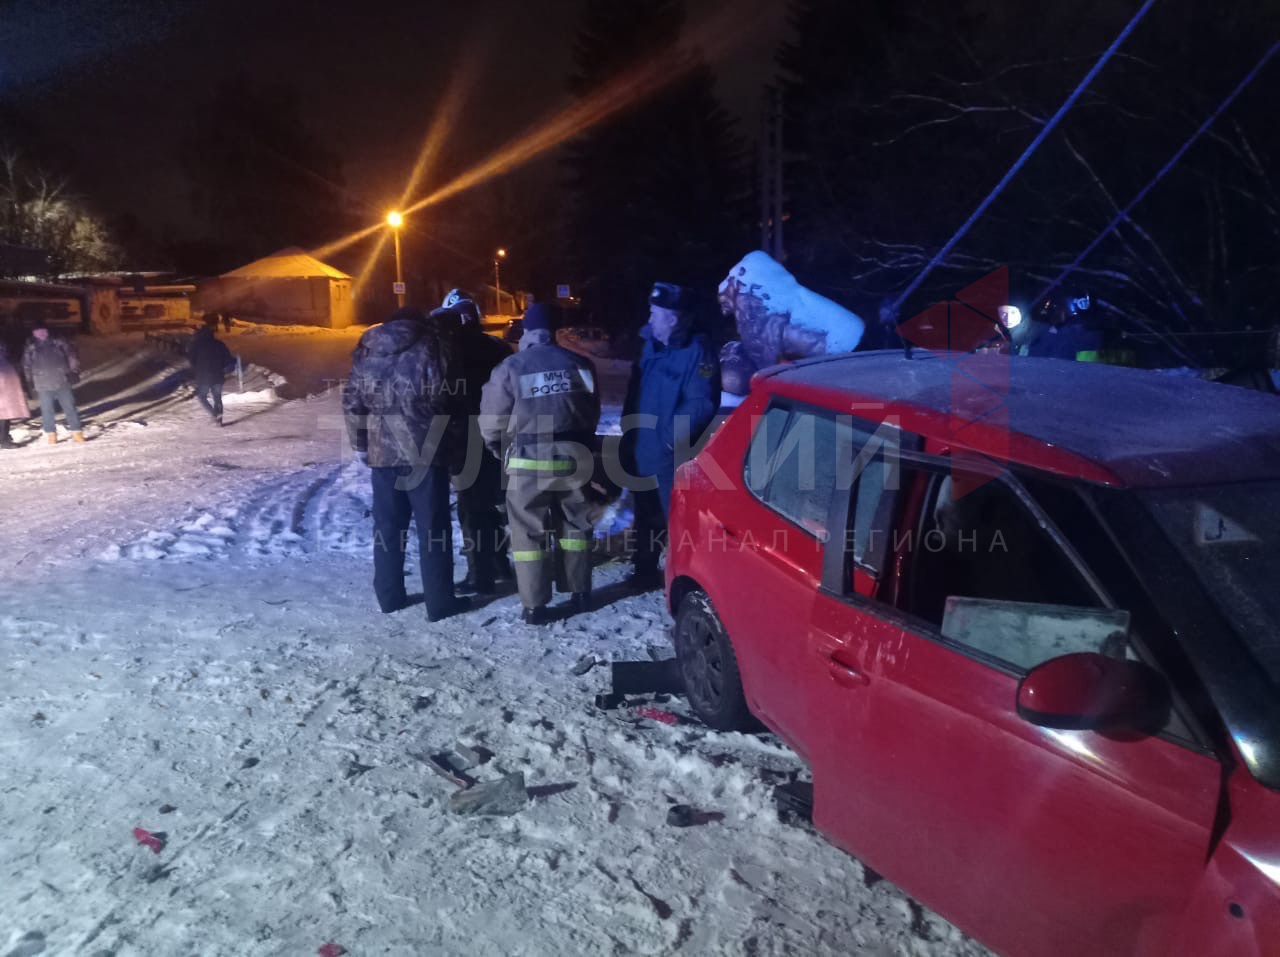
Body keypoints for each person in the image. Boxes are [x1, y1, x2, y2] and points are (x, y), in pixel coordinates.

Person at [343, 306, 470, 622]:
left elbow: (352, 401)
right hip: (426, 449)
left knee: (387, 526)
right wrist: (454, 443)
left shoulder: (367, 348)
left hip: (383, 452)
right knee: (433, 528)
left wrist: (361, 443)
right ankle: (439, 602)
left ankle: (389, 597)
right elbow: (445, 397)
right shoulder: (432, 344)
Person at [480, 303, 600, 625]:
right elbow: (592, 411)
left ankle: (535, 606)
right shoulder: (581, 364)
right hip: (574, 457)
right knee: (576, 525)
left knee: (528, 533)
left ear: (528, 332)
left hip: (528, 462)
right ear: (554, 332)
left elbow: (491, 420)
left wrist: (495, 445)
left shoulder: (511, 367)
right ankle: (580, 593)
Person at [620, 282, 720, 589]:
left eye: (655, 313)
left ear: (673, 318)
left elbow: (701, 402)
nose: (649, 319)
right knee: (644, 515)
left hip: (668, 455)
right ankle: (644, 571)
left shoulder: (696, 352)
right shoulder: (647, 345)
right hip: (640, 447)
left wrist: (668, 441)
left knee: (676, 521)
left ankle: (686, 581)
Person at [434, 292, 514, 595]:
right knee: (493, 504)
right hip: (496, 436)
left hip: (463, 439)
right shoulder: (497, 347)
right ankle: (499, 563)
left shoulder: (447, 351)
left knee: (471, 508)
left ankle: (479, 574)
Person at [22, 326, 84, 444]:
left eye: (42, 331)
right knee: (59, 408)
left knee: (56, 408)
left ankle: (67, 433)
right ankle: (67, 433)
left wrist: (29, 381)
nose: (41, 334)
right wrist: (74, 371)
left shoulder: (51, 343)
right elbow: (27, 365)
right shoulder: (33, 346)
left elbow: (26, 366)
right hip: (51, 381)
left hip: (56, 380)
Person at [189, 316, 234, 426]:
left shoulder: (196, 345)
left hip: (203, 376)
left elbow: (192, 360)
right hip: (218, 375)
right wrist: (221, 367)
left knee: (202, 397)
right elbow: (228, 359)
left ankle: (214, 414)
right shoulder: (219, 344)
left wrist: (198, 369)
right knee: (217, 397)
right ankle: (219, 419)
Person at [0, 342, 29, 449]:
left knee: (5, 415)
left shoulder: (4, 354)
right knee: (3, 415)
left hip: (6, 390)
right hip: (3, 390)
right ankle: (3, 440)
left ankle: (4, 438)